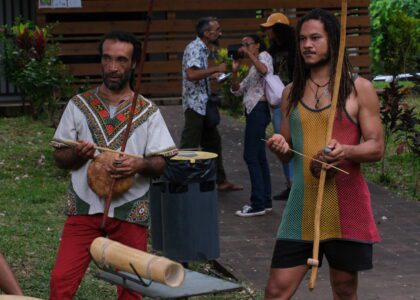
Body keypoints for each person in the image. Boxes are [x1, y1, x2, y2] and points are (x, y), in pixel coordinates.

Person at [265, 9, 384, 299]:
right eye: (303, 39)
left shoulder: (358, 89)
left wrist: (347, 150)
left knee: (344, 290)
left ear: (334, 41)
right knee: (276, 291)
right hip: (301, 207)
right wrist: (280, 147)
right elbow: (288, 153)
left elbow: (376, 147)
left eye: (315, 38)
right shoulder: (291, 93)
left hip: (346, 205)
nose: (307, 45)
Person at [49, 30, 177, 300]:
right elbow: (60, 157)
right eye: (107, 59)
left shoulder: (148, 111)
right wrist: (79, 155)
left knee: (132, 289)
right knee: (61, 282)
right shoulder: (78, 105)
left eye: (121, 60)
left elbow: (161, 163)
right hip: (83, 209)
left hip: (129, 210)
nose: (112, 67)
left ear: (133, 65)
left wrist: (138, 164)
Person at [180, 16, 243, 192]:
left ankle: (220, 181)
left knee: (213, 143)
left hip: (203, 104)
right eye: (217, 30)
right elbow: (191, 74)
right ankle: (180, 182)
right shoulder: (194, 48)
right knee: (189, 145)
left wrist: (212, 76)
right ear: (207, 33)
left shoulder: (203, 49)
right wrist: (216, 69)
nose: (220, 33)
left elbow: (198, 73)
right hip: (195, 105)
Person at [230, 34, 272, 217]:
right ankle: (266, 200)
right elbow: (237, 90)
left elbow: (264, 70)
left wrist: (250, 54)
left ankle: (257, 203)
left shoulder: (264, 57)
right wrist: (234, 71)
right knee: (260, 156)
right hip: (252, 112)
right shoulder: (251, 68)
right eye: (242, 45)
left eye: (248, 44)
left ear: (257, 45)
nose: (244, 48)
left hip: (259, 111)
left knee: (250, 156)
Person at [260, 13, 296, 201]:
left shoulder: (296, 47)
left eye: (270, 28)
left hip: (294, 98)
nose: (267, 32)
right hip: (278, 100)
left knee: (295, 142)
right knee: (282, 141)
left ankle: (296, 185)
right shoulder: (271, 50)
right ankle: (290, 184)